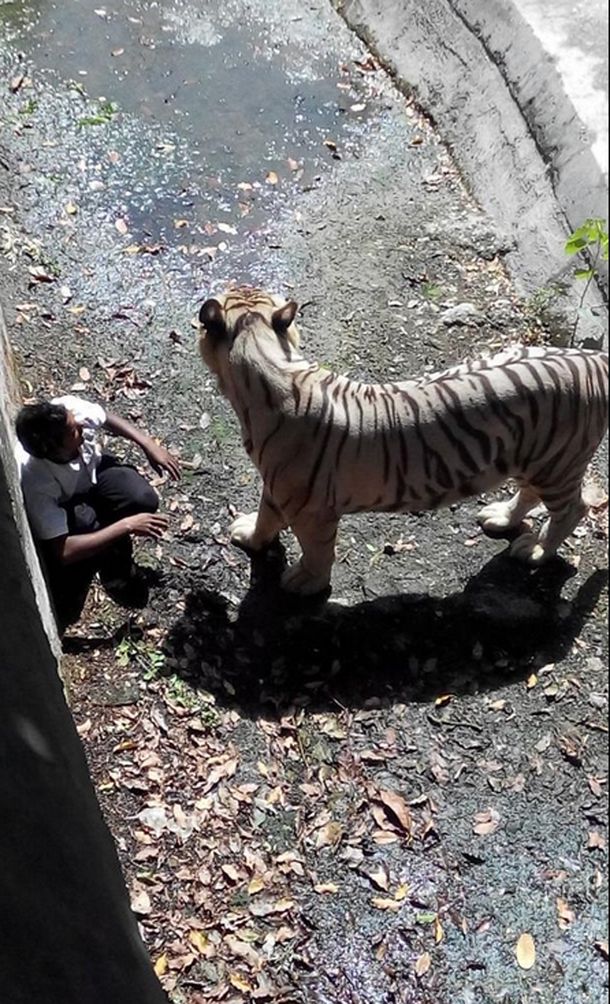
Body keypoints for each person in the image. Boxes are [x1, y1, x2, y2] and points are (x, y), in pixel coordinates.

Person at [15, 394, 180, 634]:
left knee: (142, 498)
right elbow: (63, 550)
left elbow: (104, 418)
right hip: (70, 503)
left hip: (93, 473)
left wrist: (148, 444)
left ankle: (111, 547)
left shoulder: (67, 412)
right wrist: (126, 526)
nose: (81, 426)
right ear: (53, 450)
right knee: (87, 525)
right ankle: (114, 570)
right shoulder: (35, 481)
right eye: (73, 431)